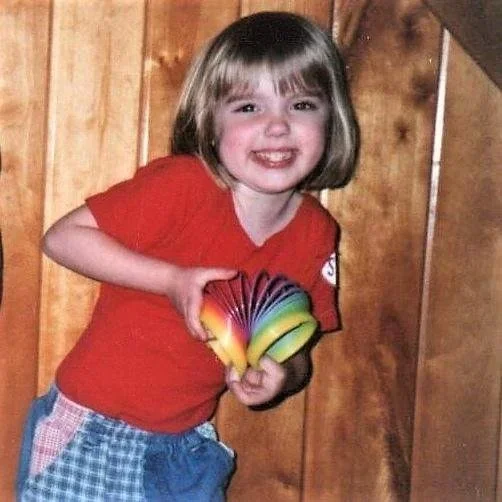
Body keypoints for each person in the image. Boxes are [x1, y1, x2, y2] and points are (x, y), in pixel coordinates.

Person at [17, 10, 357, 502]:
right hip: (91, 432)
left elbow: (298, 344)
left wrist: (283, 375)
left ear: (333, 119)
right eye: (247, 108)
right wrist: (173, 281)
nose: (277, 126)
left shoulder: (316, 233)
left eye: (302, 104)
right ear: (210, 123)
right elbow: (63, 238)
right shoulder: (183, 186)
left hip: (182, 447)